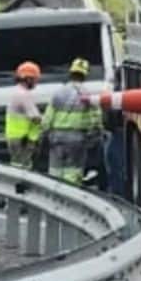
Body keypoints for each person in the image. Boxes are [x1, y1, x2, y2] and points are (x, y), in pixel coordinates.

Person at [41, 57, 102, 186]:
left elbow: (47, 118)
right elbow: (95, 119)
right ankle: (70, 196)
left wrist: (44, 134)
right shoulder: (87, 94)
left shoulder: (58, 92)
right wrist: (95, 134)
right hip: (77, 139)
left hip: (56, 137)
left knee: (55, 171)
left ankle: (54, 195)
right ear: (85, 74)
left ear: (71, 73)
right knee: (73, 172)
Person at [5, 61, 44, 170]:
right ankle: (22, 187)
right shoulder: (24, 95)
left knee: (16, 166)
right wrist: (48, 122)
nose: (36, 82)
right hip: (22, 140)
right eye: (35, 79)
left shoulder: (16, 92)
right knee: (23, 169)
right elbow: (35, 118)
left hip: (15, 138)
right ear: (28, 79)